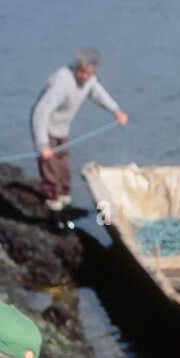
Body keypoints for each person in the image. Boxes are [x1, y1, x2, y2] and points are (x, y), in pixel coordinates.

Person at [31, 47, 128, 232]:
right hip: (47, 129)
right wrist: (42, 144)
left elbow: (98, 93)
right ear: (76, 67)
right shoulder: (62, 82)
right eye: (81, 71)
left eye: (89, 73)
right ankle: (55, 220)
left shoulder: (89, 80)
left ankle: (66, 212)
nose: (84, 76)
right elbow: (40, 112)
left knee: (65, 171)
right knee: (51, 173)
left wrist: (116, 111)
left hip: (62, 130)